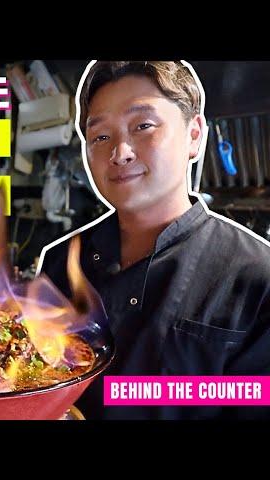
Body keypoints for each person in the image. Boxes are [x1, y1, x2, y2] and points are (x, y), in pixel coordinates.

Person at [39, 61, 270, 420]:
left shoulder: (257, 280)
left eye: (143, 126)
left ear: (194, 135)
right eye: (100, 137)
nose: (120, 153)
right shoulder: (61, 263)